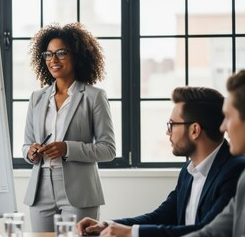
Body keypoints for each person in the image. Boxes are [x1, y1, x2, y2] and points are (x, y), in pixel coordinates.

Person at [77, 86, 245, 237]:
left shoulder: (235, 171)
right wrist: (107, 225)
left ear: (194, 130)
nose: (167, 132)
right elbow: (162, 216)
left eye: (172, 124)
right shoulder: (188, 170)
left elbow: (207, 230)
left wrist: (132, 233)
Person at [22, 22, 116, 232]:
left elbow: (108, 149)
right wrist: (31, 152)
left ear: (76, 55)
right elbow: (26, 145)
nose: (53, 60)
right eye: (48, 54)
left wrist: (67, 149)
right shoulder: (37, 98)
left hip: (79, 191)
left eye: (61, 53)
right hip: (40, 190)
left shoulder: (94, 97)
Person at [184, 70, 245, 236]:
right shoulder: (244, 180)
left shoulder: (236, 170)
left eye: (228, 117)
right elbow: (211, 232)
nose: (223, 127)